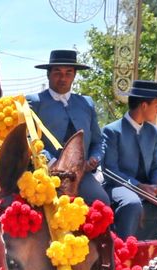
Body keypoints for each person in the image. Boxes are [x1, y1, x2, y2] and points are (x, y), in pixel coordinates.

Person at [100, 79, 157, 240]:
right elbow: (110, 171)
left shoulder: (152, 132)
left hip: (150, 188)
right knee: (132, 204)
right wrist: (138, 186)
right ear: (144, 105)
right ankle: (122, 253)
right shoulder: (112, 131)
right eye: (156, 104)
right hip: (120, 186)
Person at [25, 49, 107, 207]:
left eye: (68, 73)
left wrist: (94, 158)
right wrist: (51, 162)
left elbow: (98, 141)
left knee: (102, 202)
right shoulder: (35, 101)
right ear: (48, 74)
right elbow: (29, 138)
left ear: (74, 75)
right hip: (45, 173)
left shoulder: (86, 103)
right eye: (57, 72)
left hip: (81, 174)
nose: (63, 78)